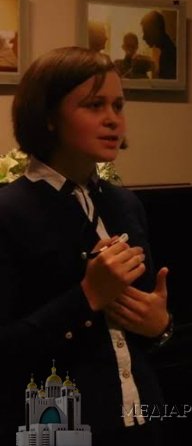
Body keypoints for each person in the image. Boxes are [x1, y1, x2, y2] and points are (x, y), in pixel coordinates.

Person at [0, 47, 172, 446]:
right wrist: (88, 296)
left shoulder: (124, 204)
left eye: (118, 105)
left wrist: (160, 326)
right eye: (95, 105)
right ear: (48, 116)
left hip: (141, 421)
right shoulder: (8, 212)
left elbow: (141, 332)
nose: (113, 119)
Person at [140, 11, 177, 79]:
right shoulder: (167, 49)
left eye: (146, 32)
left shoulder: (167, 56)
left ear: (155, 31)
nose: (144, 37)